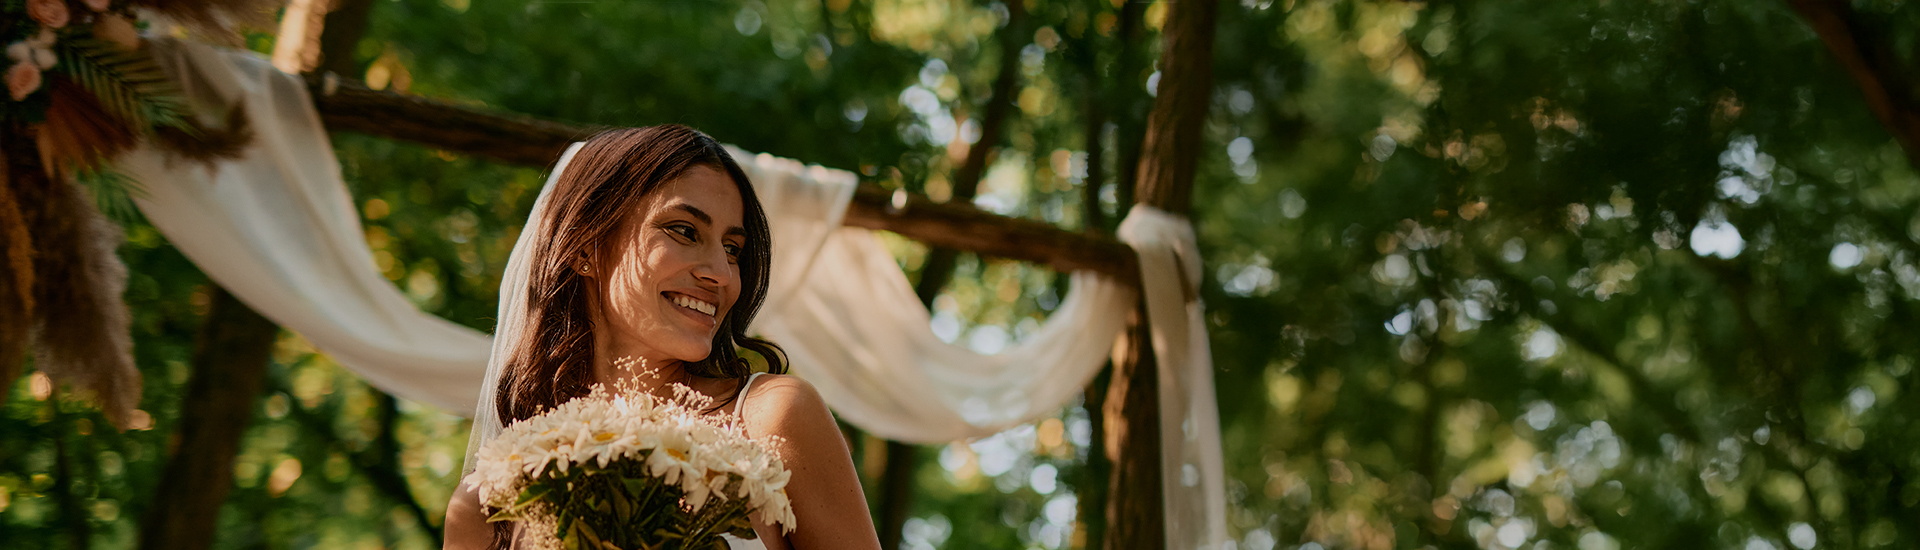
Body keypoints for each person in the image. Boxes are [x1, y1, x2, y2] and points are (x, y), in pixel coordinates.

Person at [443, 125, 881, 550]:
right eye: (685, 231)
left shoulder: (774, 417)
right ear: (584, 246)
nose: (721, 274)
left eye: (733, 249)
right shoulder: (486, 502)